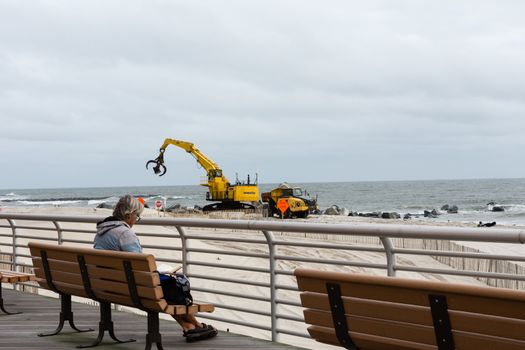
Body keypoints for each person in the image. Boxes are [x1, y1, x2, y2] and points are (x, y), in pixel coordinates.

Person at [93, 194, 217, 342]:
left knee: (164, 287)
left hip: (107, 286)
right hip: (132, 289)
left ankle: (188, 327)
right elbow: (139, 266)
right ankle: (197, 325)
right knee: (172, 285)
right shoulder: (125, 234)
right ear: (128, 215)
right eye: (137, 216)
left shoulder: (101, 233)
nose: (136, 220)